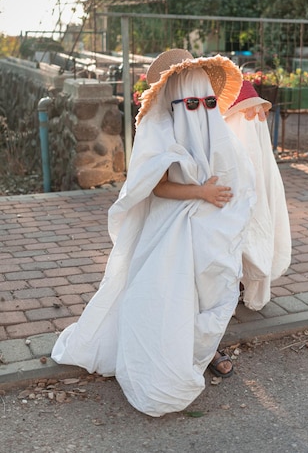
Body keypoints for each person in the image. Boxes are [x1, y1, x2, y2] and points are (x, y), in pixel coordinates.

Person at [52, 49, 256, 417]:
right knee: (172, 292)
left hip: (210, 225)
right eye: (192, 101)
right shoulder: (158, 127)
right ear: (176, 97)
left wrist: (227, 203)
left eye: (208, 100)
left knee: (213, 288)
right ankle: (169, 358)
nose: (202, 108)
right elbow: (157, 186)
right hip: (171, 226)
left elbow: (234, 172)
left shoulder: (211, 123)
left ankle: (203, 350)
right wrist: (201, 192)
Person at [224, 80, 292, 311]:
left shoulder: (237, 90)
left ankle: (238, 284)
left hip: (242, 167)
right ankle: (238, 284)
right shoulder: (234, 87)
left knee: (247, 218)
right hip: (237, 168)